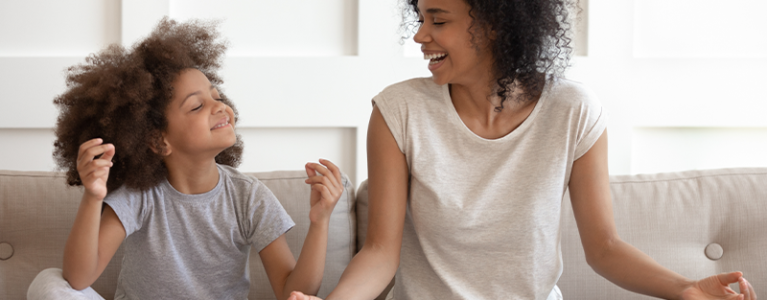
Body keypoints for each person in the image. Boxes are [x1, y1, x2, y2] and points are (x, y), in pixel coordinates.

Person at [289, 0, 759, 299]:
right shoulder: (399, 109)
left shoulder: (574, 110)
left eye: (439, 20)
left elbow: (606, 248)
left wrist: (686, 290)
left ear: (494, 24)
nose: (419, 35)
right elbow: (379, 252)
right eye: (420, 17)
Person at [26, 18, 345, 300]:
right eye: (196, 106)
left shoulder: (248, 196)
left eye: (217, 97)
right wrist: (93, 196)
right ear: (158, 140)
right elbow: (79, 279)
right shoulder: (140, 198)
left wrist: (320, 221)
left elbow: (294, 291)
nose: (219, 106)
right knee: (49, 283)